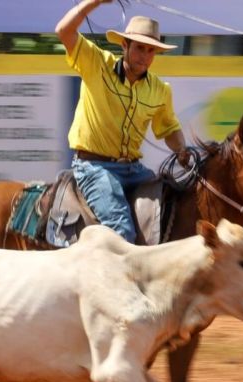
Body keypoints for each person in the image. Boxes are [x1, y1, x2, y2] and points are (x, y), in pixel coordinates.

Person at [55, 0, 188, 243]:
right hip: (94, 168)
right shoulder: (97, 64)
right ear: (124, 45)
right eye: (139, 48)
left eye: (151, 51)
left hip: (134, 170)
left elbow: (169, 127)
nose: (145, 57)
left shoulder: (160, 90)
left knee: (174, 208)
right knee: (122, 232)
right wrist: (93, 2)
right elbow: (63, 31)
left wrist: (181, 150)